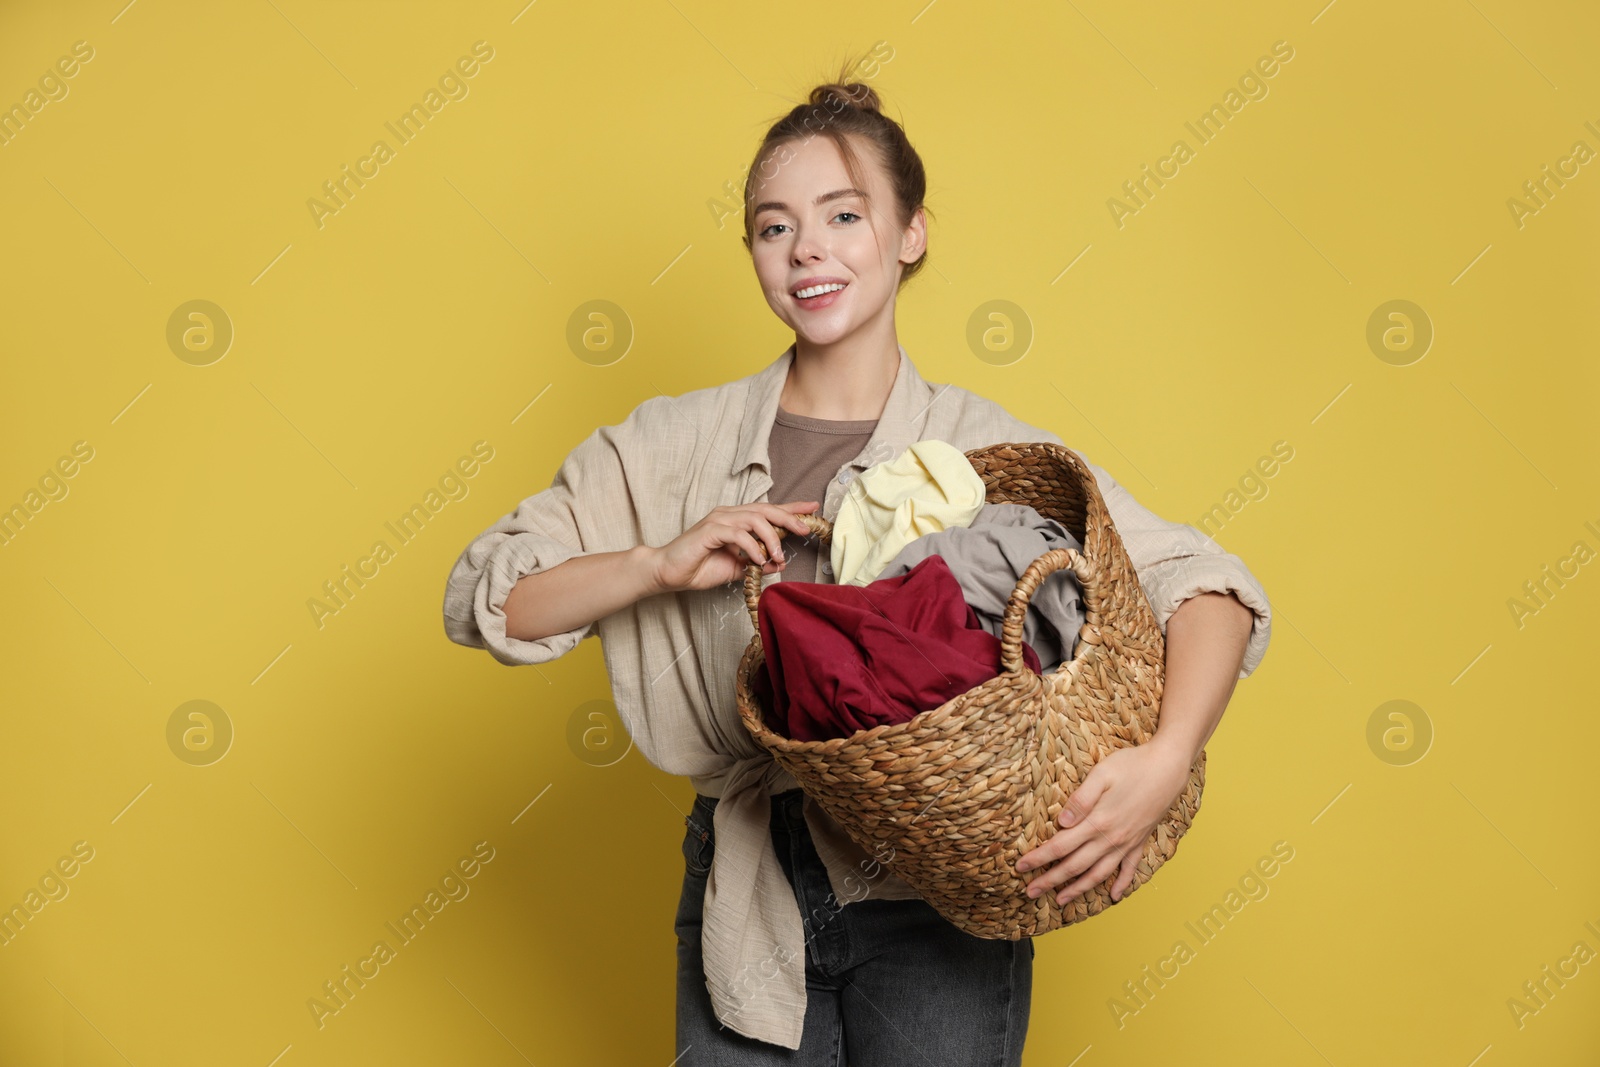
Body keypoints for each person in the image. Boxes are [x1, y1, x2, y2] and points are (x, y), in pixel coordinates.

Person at [441, 56, 1272, 1066]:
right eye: (771, 224)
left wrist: (1166, 757)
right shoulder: (666, 446)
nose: (805, 251)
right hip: (743, 889)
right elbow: (491, 598)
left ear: (909, 233)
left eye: (842, 215)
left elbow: (1207, 583)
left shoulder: (984, 448)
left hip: (943, 895)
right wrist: (658, 562)